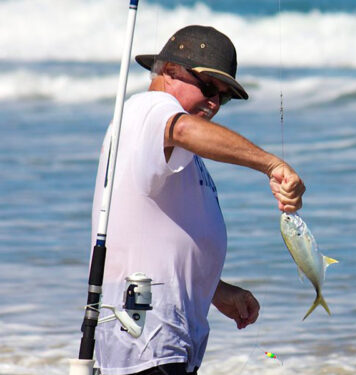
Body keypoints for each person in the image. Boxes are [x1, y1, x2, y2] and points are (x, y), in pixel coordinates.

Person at [90, 25, 305, 375]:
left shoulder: (173, 148)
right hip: (143, 337)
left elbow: (161, 236)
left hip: (167, 341)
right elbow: (184, 129)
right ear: (169, 72)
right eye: (208, 88)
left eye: (223, 97)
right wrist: (272, 164)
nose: (214, 102)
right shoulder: (148, 108)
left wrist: (214, 289)